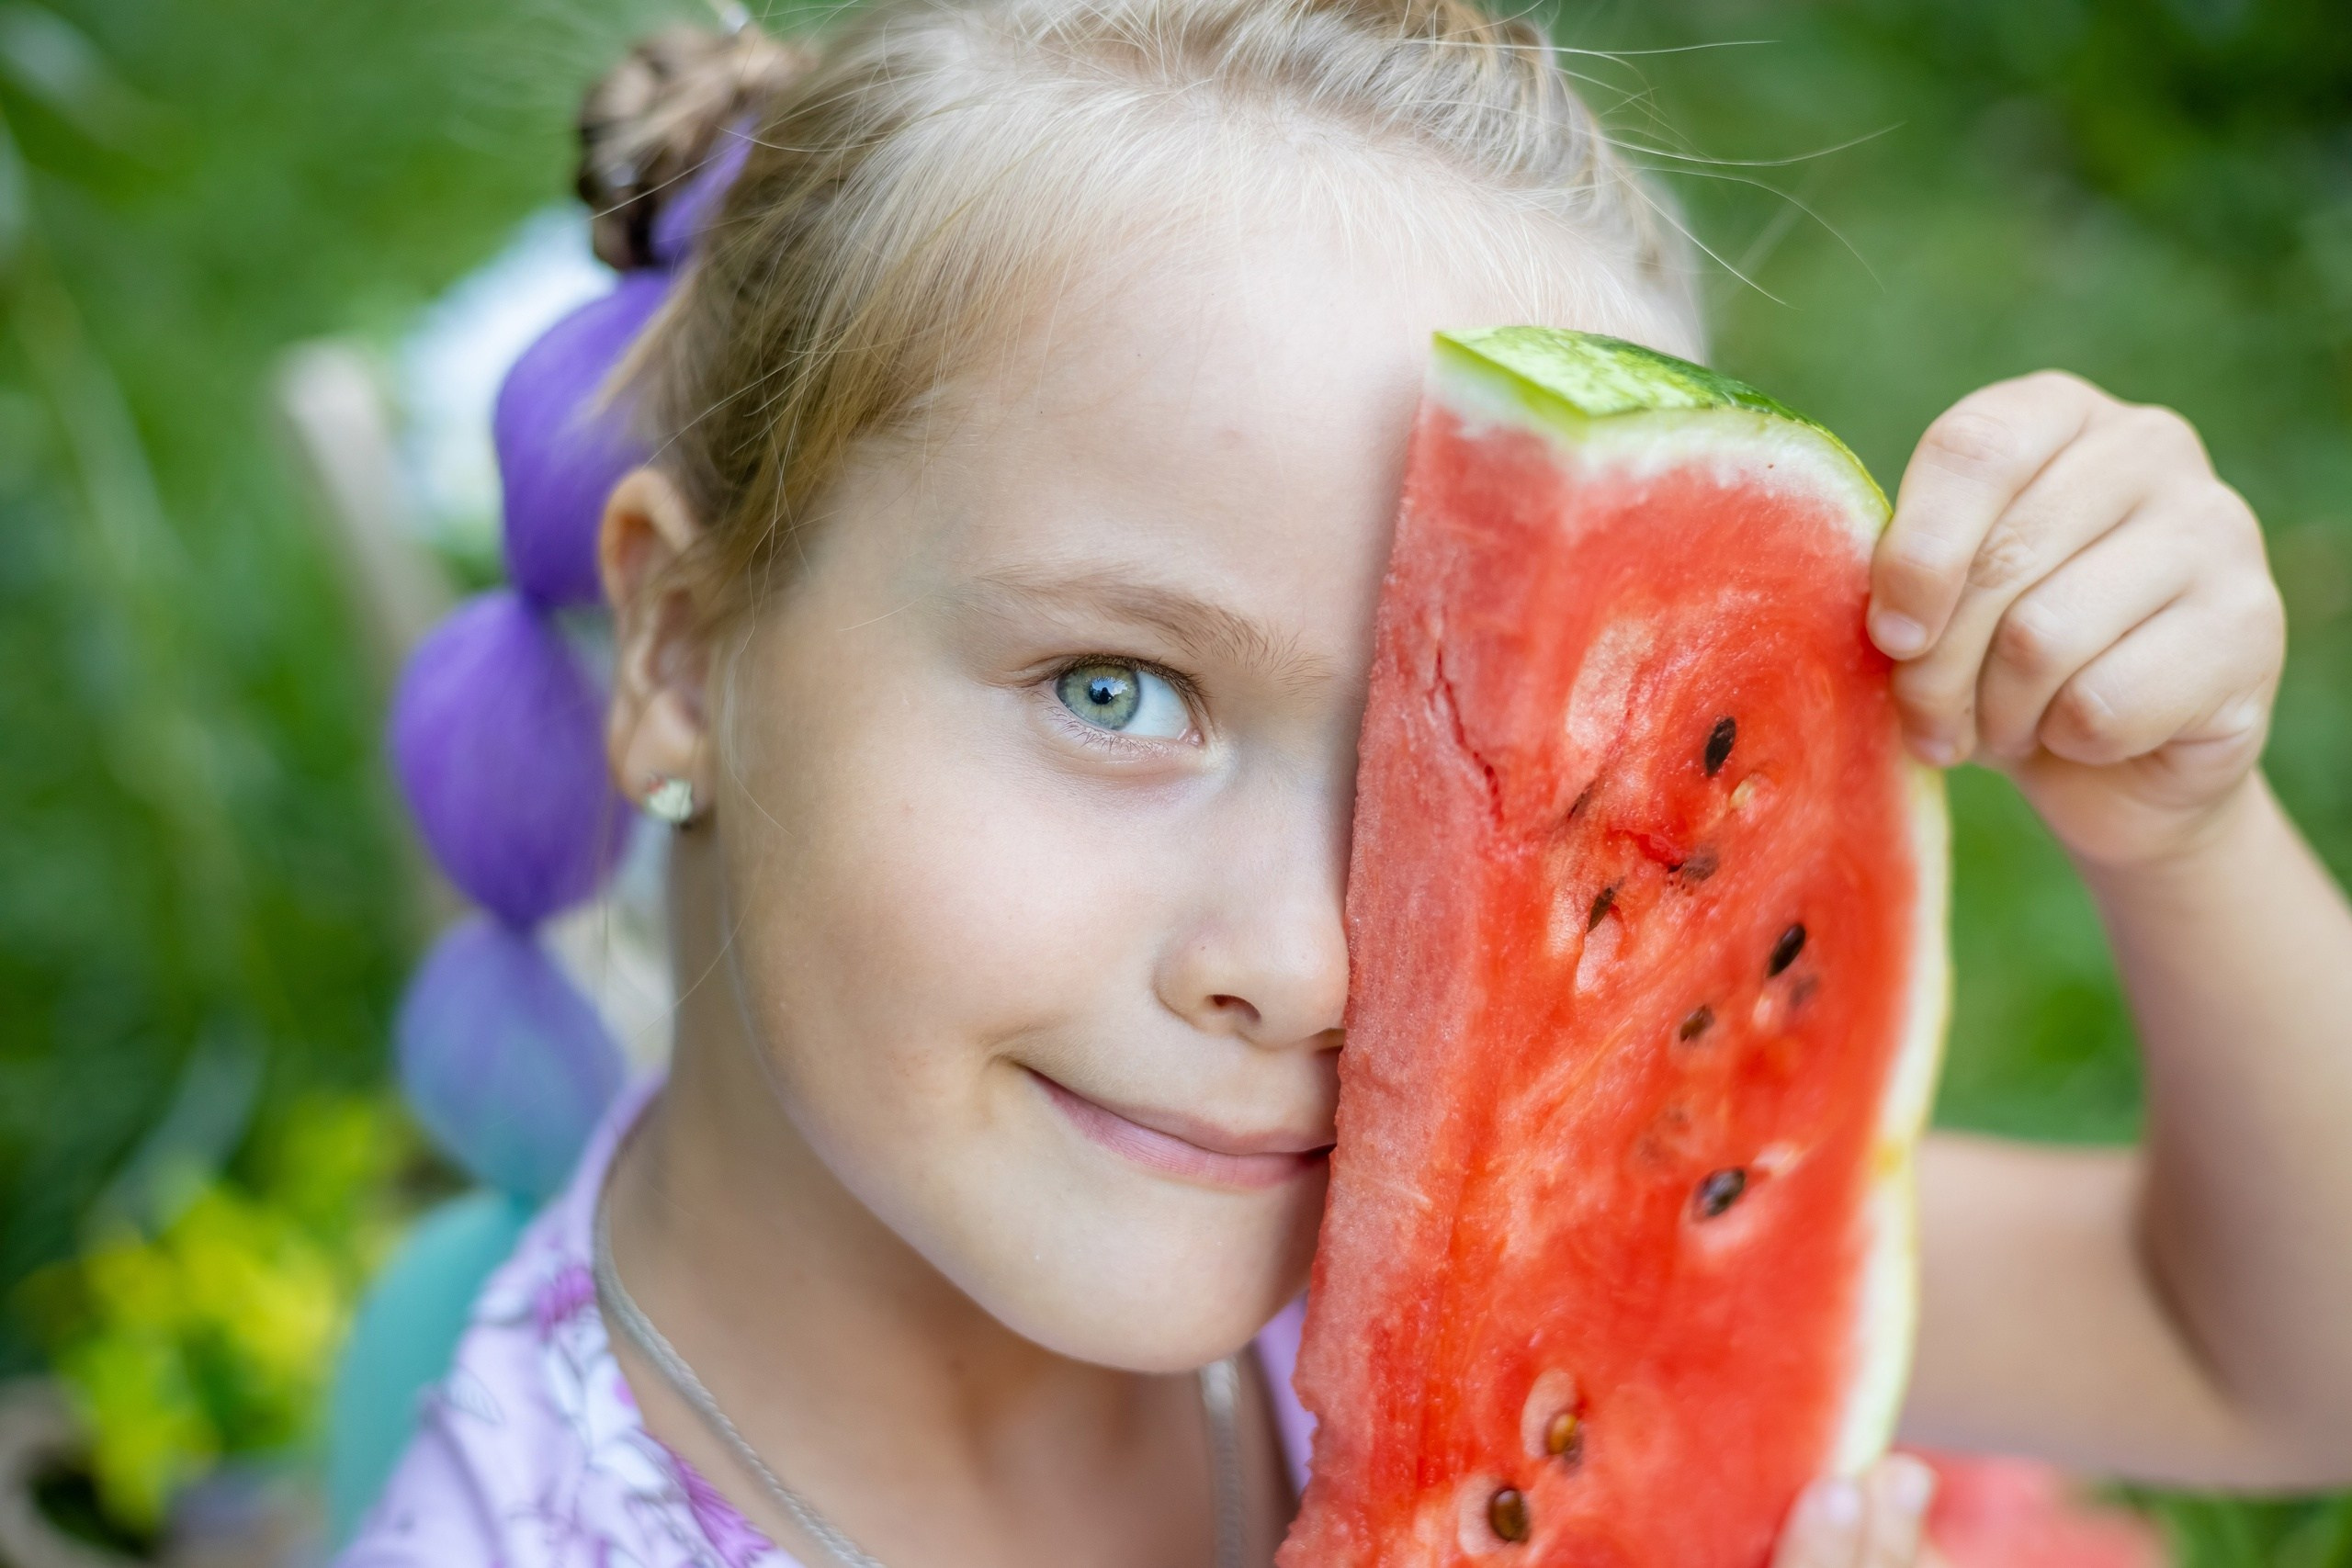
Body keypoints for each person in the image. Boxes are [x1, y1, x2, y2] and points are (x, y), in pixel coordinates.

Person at [338, 0, 2352, 1563]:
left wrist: (2170, 825)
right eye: (1115, 690)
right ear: (684, 648)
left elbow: (2262, 1354)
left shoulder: (1406, 1201)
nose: (1305, 961)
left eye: (1459, 785)